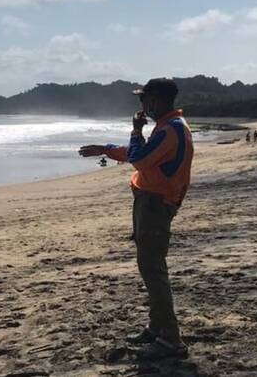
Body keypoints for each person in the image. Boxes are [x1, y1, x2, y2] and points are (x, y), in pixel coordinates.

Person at [79, 78, 193, 360]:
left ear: (156, 100)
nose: (142, 105)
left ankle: (169, 338)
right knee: (150, 268)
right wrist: (107, 149)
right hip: (151, 201)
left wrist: (134, 130)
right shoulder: (167, 128)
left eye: (144, 100)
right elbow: (140, 155)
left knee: (153, 270)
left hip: (155, 205)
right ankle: (157, 328)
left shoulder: (171, 130)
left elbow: (140, 160)